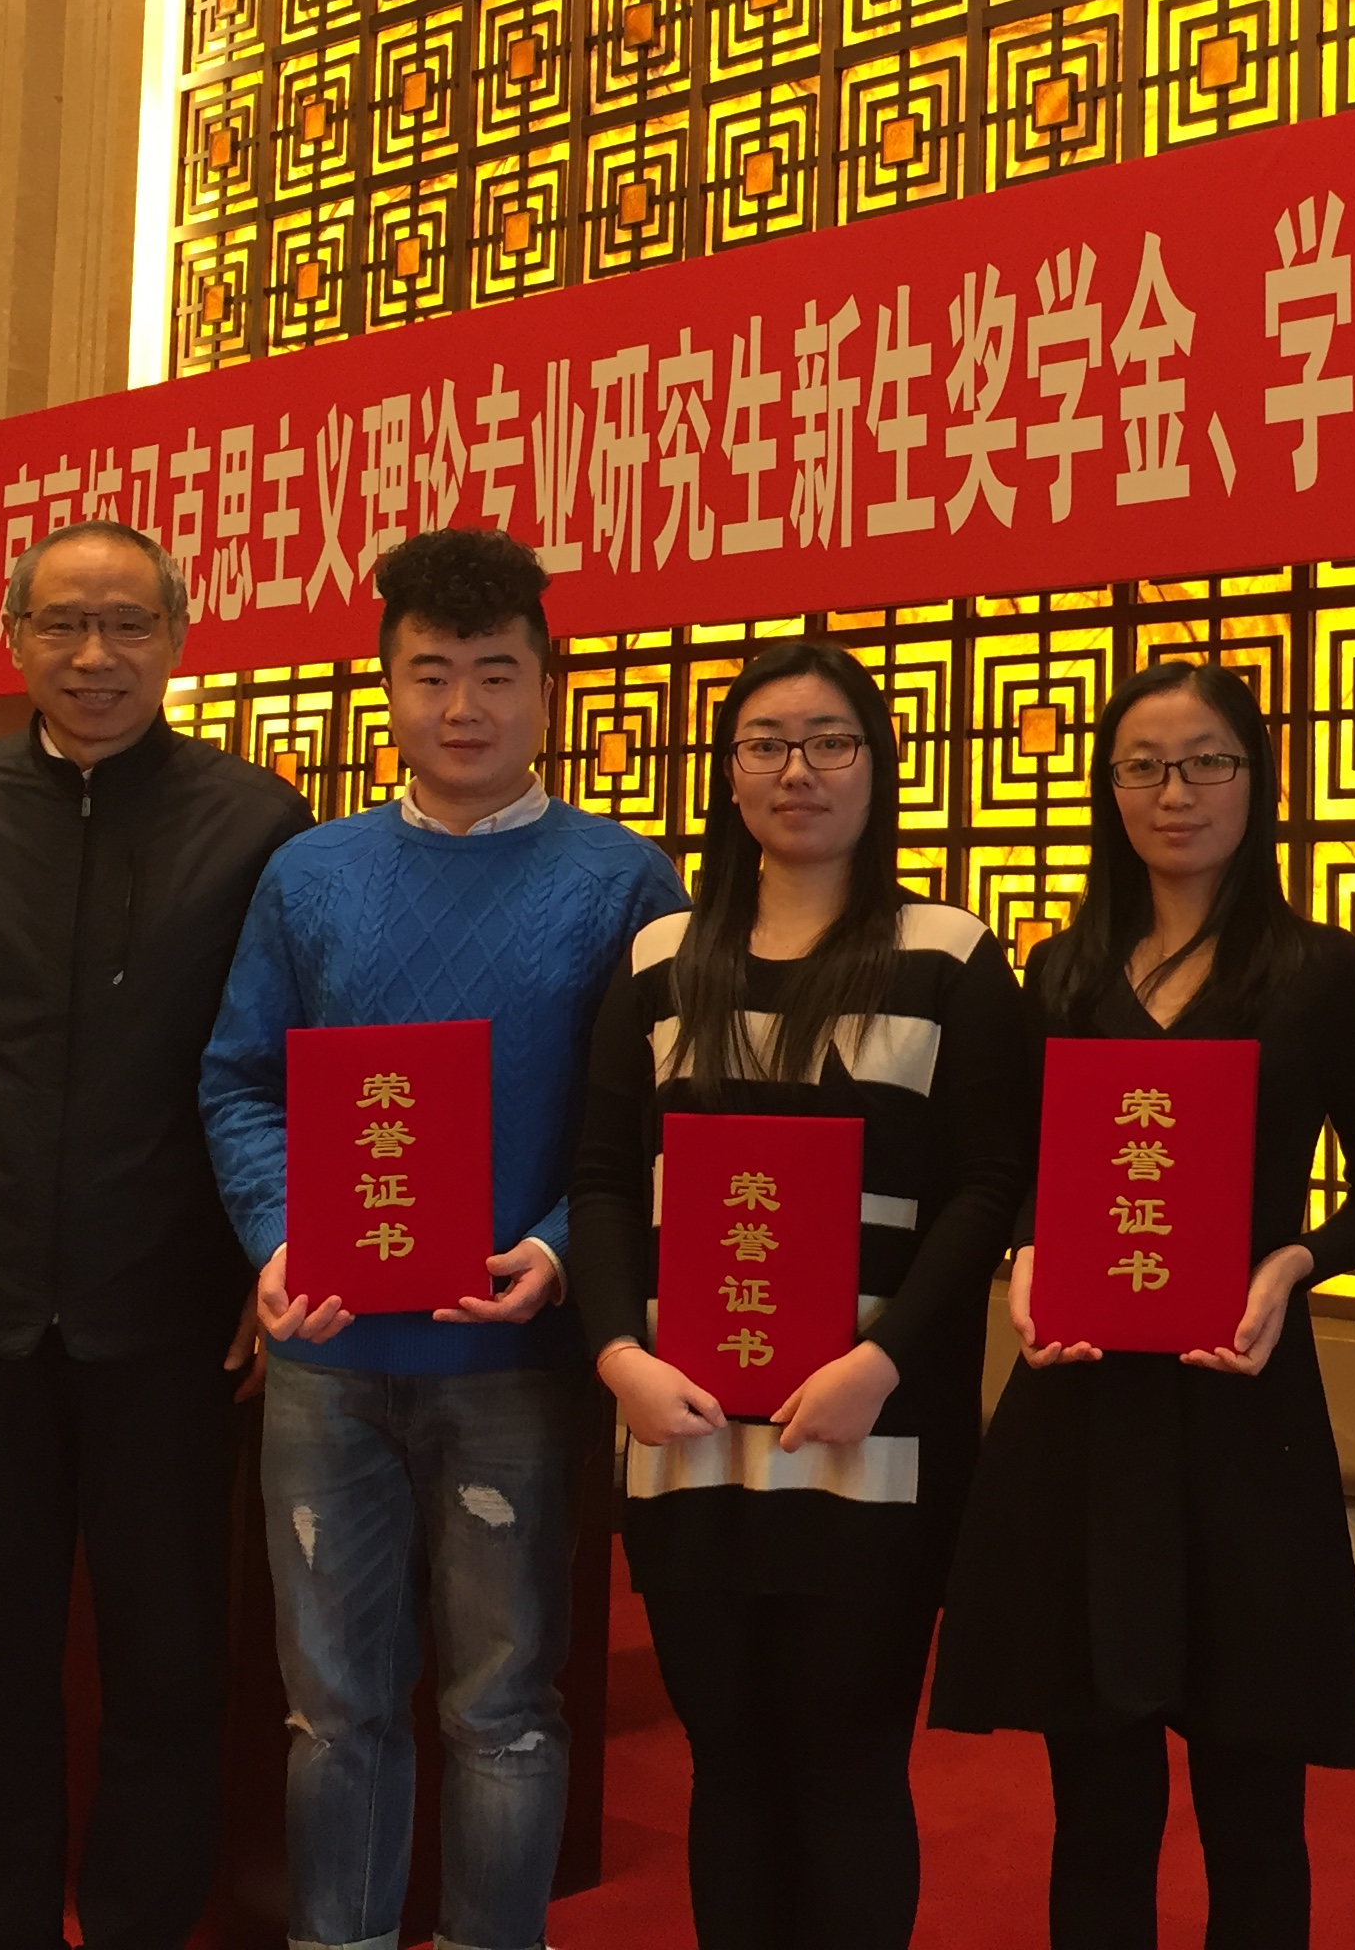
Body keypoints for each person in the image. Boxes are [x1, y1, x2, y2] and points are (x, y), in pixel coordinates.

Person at [0, 517, 310, 1950]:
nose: (96, 656)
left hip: (172, 1322)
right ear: (14, 638)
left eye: (127, 625)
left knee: (169, 1667)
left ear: (179, 637)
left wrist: (266, 1264)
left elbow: (284, 1069)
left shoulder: (257, 820)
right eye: (63, 624)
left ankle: (144, 1925)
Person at [198, 528, 683, 1950]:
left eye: (495, 673)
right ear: (389, 688)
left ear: (547, 687)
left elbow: (665, 1113)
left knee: (504, 1708)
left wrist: (561, 1247)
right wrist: (278, 1238)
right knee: (332, 1707)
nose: (463, 706)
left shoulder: (625, 883)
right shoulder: (310, 876)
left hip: (516, 1363)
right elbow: (241, 1080)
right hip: (329, 1358)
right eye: (431, 674)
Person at [930, 660, 1355, 1950]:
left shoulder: (1317, 972)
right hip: (1084, 1411)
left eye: (1207, 762)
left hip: (1241, 1409)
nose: (1175, 792)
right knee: (1096, 1798)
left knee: (1253, 1798)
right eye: (1143, 766)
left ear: (1256, 780)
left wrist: (1295, 1262)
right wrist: (1026, 1253)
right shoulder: (1060, 971)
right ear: (1108, 789)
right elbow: (1017, 1167)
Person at [567, 641, 1035, 1950]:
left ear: (879, 766)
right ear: (729, 774)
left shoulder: (949, 955)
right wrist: (617, 1355)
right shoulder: (663, 957)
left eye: (832, 741)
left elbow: (990, 1185)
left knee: (846, 1764)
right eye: (767, 743)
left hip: (875, 1439)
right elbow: (602, 1178)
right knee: (728, 1763)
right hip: (688, 1433)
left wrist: (884, 1363)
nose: (799, 770)